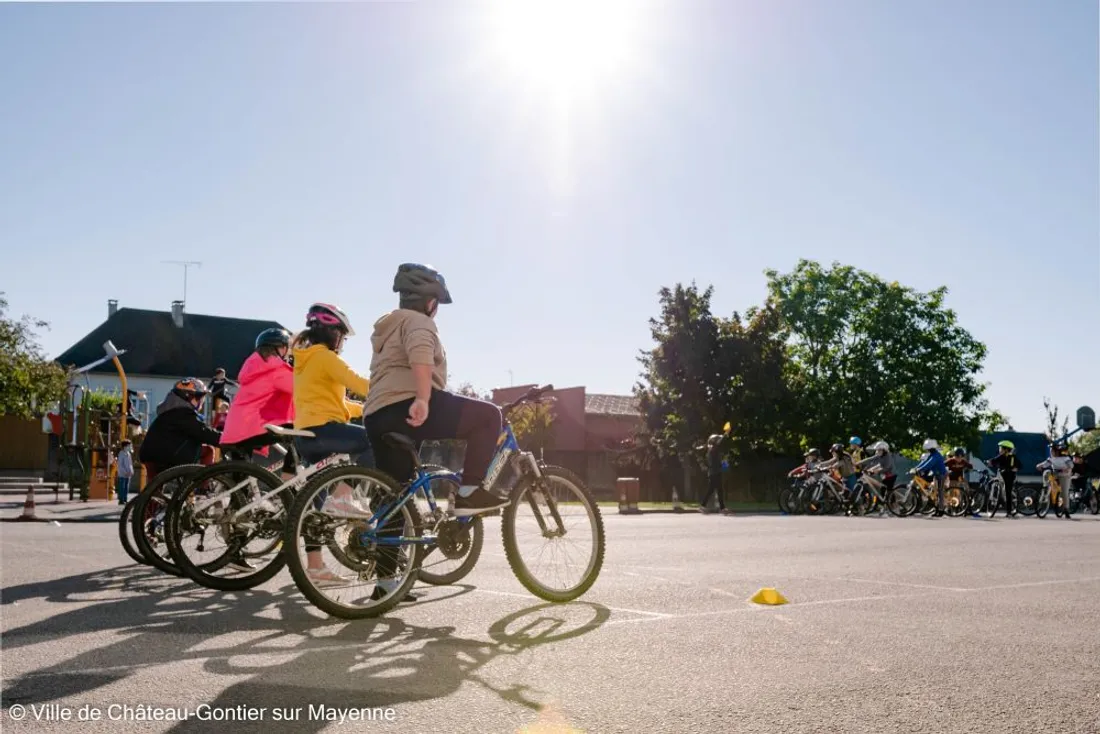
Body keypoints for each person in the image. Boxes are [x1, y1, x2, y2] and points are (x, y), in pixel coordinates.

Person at [361, 263, 509, 518]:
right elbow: (420, 354)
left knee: (395, 494)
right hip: (406, 406)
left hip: (377, 415)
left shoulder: (389, 327)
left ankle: (384, 550)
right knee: (488, 416)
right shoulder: (419, 322)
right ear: (429, 301)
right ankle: (469, 492)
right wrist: (422, 398)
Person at [219, 327, 296, 468]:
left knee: (239, 485)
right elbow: (303, 389)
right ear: (280, 348)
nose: (289, 352)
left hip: (235, 430)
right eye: (288, 348)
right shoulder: (276, 370)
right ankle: (289, 476)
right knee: (301, 433)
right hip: (248, 429)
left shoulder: (256, 366)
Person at [139, 378, 222, 480]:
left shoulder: (167, 412)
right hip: (168, 456)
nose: (201, 402)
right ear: (188, 397)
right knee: (208, 451)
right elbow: (203, 433)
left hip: (149, 455)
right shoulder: (184, 414)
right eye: (199, 397)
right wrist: (225, 439)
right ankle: (203, 488)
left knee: (153, 492)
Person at [910, 438, 948, 515]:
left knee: (940, 492)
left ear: (931, 448)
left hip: (941, 475)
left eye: (928, 449)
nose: (927, 450)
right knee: (934, 492)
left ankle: (941, 510)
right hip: (936, 475)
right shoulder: (932, 454)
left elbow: (929, 464)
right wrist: (916, 468)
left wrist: (919, 469)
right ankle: (936, 509)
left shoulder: (936, 456)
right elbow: (924, 462)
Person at [985, 440, 1022, 516]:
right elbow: (994, 460)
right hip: (1002, 474)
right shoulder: (1002, 456)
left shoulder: (1012, 457)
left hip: (1010, 476)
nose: (999, 450)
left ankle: (1009, 512)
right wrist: (989, 462)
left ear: (1005, 449)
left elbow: (1020, 465)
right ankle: (998, 499)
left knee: (1008, 492)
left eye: (1000, 448)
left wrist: (1016, 468)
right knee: (993, 483)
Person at [700, 433, 732, 515]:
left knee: (718, 490)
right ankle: (704, 506)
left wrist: (723, 464)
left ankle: (722, 508)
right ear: (714, 442)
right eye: (717, 440)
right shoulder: (713, 450)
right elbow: (719, 443)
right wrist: (724, 436)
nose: (718, 441)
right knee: (713, 490)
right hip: (714, 472)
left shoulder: (712, 450)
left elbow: (717, 462)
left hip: (715, 472)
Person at [1037, 443, 1074, 514]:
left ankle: (1066, 509)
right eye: (1050, 450)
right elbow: (1045, 464)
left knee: (1064, 492)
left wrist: (1067, 469)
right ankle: (1046, 486)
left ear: (1057, 451)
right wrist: (1040, 465)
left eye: (1052, 451)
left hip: (1064, 475)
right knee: (1046, 472)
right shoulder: (1051, 459)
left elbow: (1071, 465)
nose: (1050, 452)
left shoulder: (1065, 458)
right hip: (1055, 473)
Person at [115, 439, 134, 505]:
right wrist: (125, 472)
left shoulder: (128, 454)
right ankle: (121, 499)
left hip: (128, 474)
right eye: (129, 445)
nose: (130, 447)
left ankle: (125, 499)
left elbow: (130, 464)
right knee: (122, 487)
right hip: (122, 474)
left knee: (126, 487)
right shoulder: (121, 454)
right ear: (124, 446)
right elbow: (120, 465)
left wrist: (131, 471)